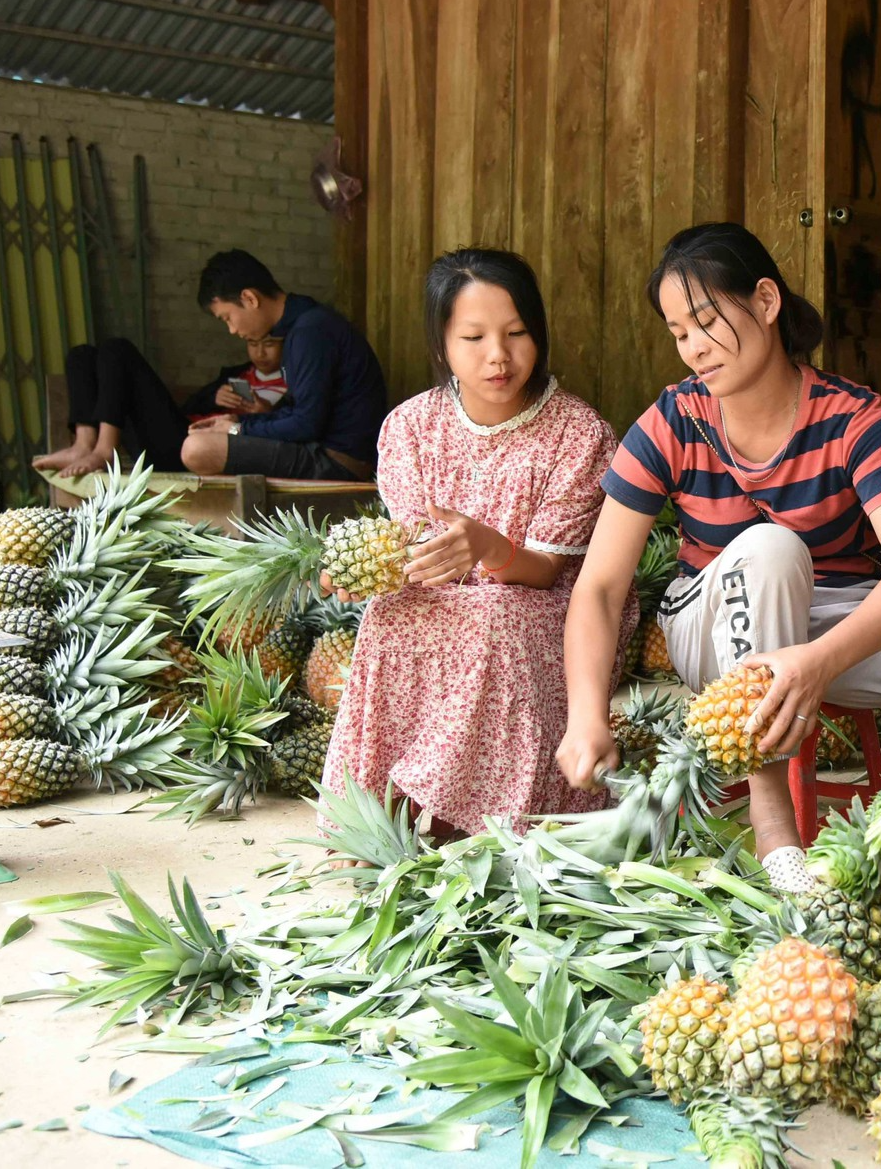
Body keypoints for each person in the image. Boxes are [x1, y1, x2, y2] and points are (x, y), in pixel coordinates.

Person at [558, 222, 881, 893]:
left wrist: (821, 660)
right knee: (771, 548)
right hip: (717, 627)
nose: (693, 347)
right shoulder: (673, 421)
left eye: (704, 321)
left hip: (835, 631)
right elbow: (602, 585)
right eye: (677, 331)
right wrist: (585, 712)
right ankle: (771, 810)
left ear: (765, 300)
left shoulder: (853, 419)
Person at [318, 248, 637, 833]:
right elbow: (410, 551)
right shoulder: (410, 427)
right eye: (473, 337)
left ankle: (464, 816)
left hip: (550, 603)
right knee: (387, 617)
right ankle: (378, 810)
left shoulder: (579, 433)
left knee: (492, 615)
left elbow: (548, 569)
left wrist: (490, 547)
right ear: (443, 346)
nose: (499, 355)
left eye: (516, 333)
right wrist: (356, 571)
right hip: (448, 595)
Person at [180, 250, 387, 481]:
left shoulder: (311, 331)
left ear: (249, 298)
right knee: (203, 442)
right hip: (319, 449)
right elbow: (299, 413)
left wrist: (237, 430)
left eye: (227, 318)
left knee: (197, 449)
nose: (232, 330)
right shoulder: (300, 327)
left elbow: (306, 425)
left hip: (339, 461)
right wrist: (237, 421)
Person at [32, 333, 286, 477]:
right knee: (81, 355)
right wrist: (213, 397)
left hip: (193, 452)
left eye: (269, 344)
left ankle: (104, 450)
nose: (260, 353)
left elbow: (293, 427)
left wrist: (266, 412)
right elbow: (188, 406)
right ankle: (83, 443)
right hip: (180, 431)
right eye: (253, 344)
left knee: (117, 349)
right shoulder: (238, 373)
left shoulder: (293, 383)